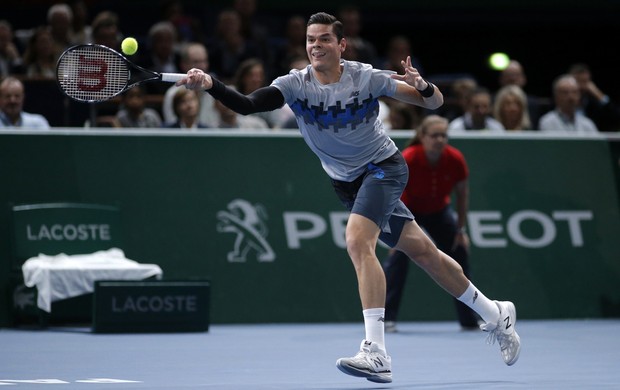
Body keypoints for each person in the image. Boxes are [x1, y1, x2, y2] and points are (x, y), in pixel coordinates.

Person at [177, 12, 521, 383]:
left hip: (383, 168)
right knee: (424, 253)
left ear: (341, 45)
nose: (315, 46)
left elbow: (434, 104)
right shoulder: (294, 85)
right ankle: (494, 312)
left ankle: (377, 352)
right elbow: (247, 104)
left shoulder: (366, 77)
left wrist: (422, 86)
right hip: (346, 183)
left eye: (324, 39)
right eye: (310, 40)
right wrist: (210, 82)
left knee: (358, 242)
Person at [382, 115, 479, 333]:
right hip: (409, 212)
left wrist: (460, 230)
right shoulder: (408, 157)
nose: (440, 140)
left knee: (459, 253)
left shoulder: (455, 159)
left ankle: (469, 319)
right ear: (423, 137)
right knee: (398, 259)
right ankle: (386, 319)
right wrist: (394, 234)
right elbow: (392, 194)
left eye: (444, 135)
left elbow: (462, 195)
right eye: (434, 136)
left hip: (439, 211)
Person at [162, 42, 218, 128]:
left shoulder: (215, 91)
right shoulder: (172, 94)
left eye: (204, 61)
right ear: (183, 65)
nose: (201, 66)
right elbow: (172, 126)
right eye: (196, 62)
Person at [568, 63, 620, 132]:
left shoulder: (593, 104)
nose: (581, 86)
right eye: (578, 82)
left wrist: (599, 95)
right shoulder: (560, 102)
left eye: (585, 82)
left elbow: (617, 117)